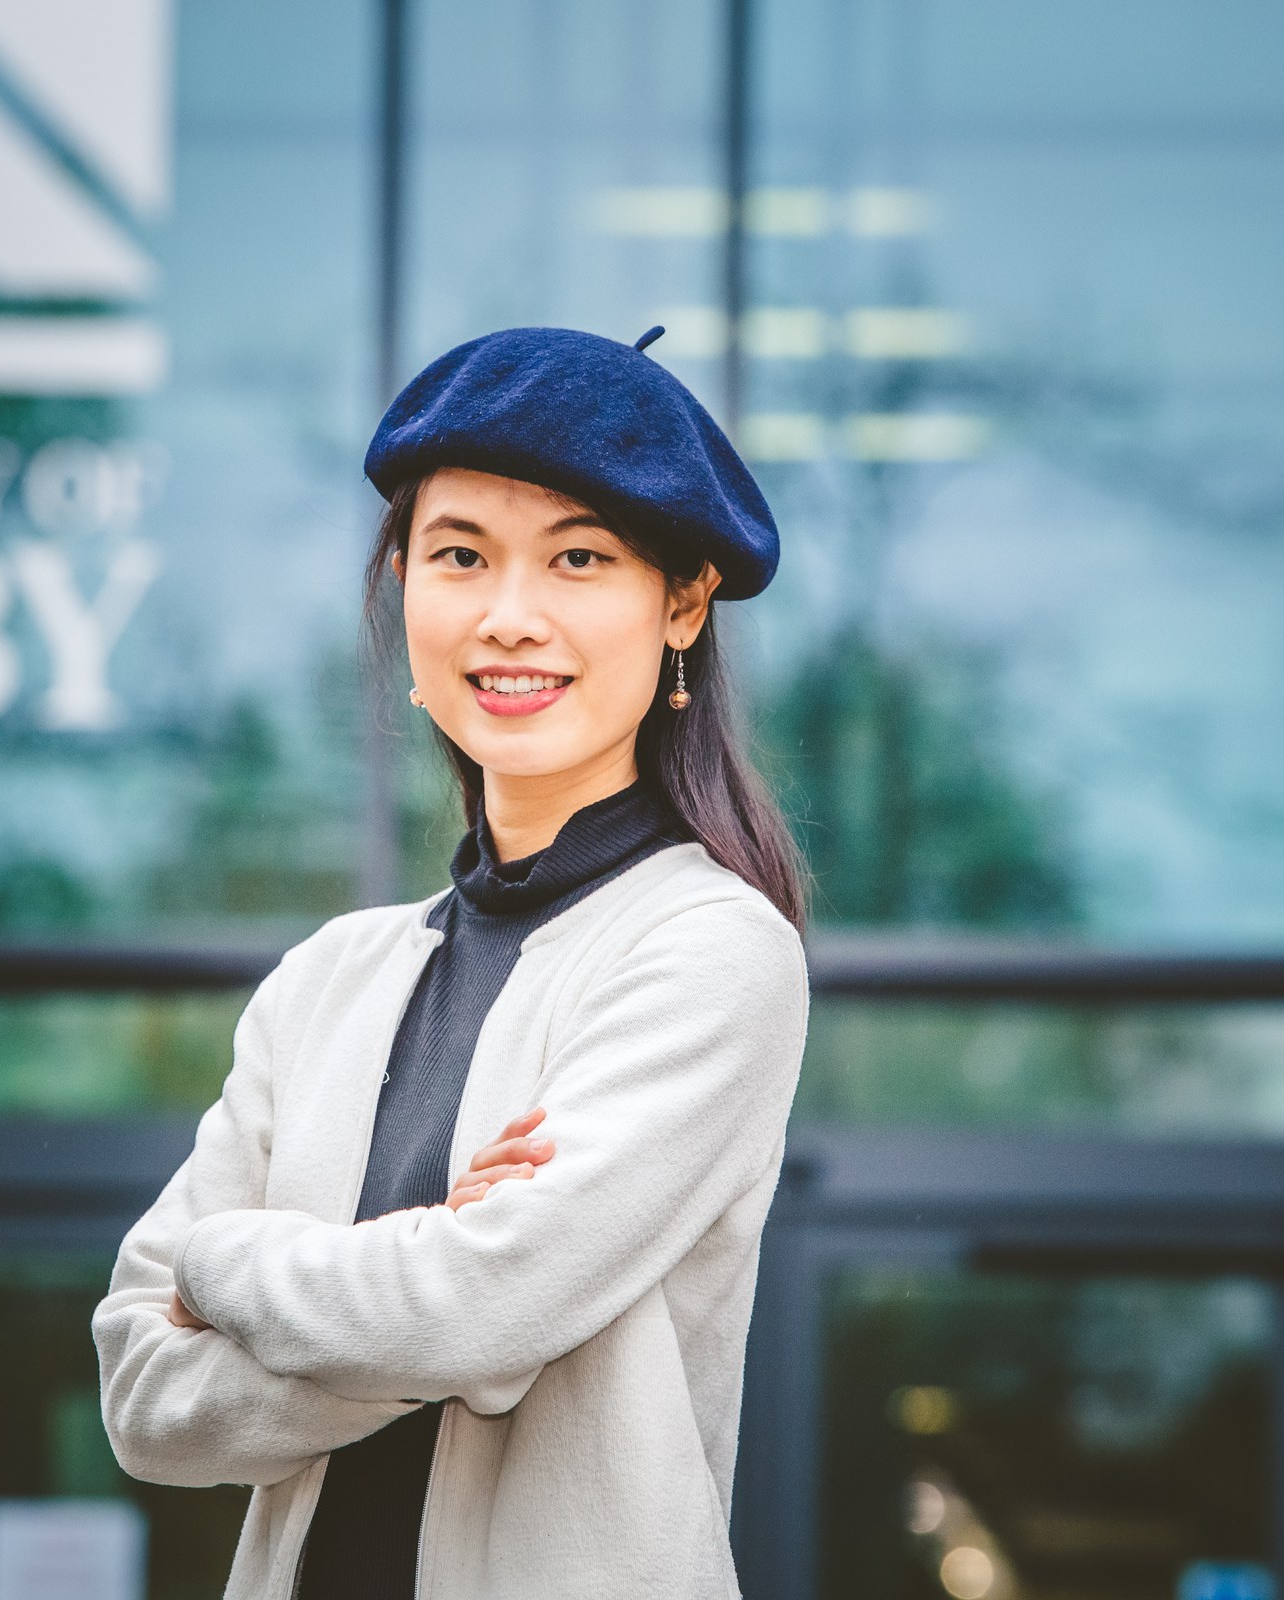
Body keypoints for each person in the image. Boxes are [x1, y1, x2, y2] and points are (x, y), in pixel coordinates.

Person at [91, 326, 812, 1598]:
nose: (508, 616)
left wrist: (223, 1264)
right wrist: (426, 1278)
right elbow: (145, 1398)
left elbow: (479, 1311)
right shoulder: (328, 978)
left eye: (578, 557)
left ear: (682, 602)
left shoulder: (708, 949)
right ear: (403, 586)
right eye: (458, 555)